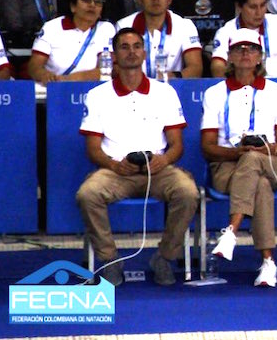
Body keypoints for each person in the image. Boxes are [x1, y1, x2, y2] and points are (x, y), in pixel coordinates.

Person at [75, 28, 198, 286]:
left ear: (144, 52)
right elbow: (93, 148)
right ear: (115, 55)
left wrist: (164, 160)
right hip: (116, 170)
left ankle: (164, 257)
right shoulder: (98, 95)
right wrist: (113, 165)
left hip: (158, 169)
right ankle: (110, 260)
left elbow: (177, 145)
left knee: (188, 192)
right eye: (124, 46)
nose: (131, 51)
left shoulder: (165, 92)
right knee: (87, 194)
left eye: (136, 46)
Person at [202, 28, 277, 288]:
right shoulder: (215, 93)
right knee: (259, 183)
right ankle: (267, 263)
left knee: (253, 161)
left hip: (273, 161)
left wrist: (259, 151)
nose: (245, 53)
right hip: (227, 165)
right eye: (238, 48)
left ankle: (231, 230)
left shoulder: (275, 92)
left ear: (260, 57)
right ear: (228, 56)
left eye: (251, 49)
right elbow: (207, 147)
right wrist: (236, 152)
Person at [116, 0, 203, 79]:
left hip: (172, 87)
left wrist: (175, 77)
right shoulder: (123, 25)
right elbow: (115, 67)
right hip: (134, 88)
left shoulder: (185, 26)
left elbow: (195, 67)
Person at [27, 0, 116, 85]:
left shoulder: (106, 29)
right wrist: (45, 75)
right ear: (73, 6)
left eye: (98, 2)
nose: (92, 5)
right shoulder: (51, 27)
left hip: (92, 89)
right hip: (55, 89)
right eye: (86, 0)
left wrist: (70, 79)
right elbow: (34, 66)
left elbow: (107, 70)